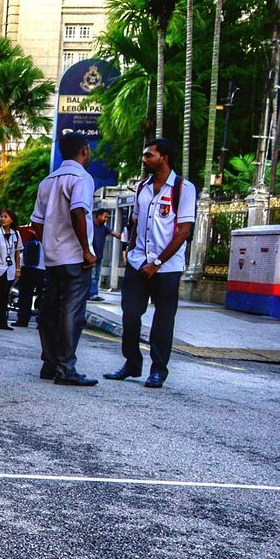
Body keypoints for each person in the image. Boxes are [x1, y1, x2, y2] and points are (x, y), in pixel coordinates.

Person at [105, 138, 196, 388]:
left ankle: (158, 370)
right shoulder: (142, 187)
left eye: (148, 156)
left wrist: (157, 262)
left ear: (163, 158)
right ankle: (132, 363)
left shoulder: (183, 188)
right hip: (138, 262)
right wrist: (129, 249)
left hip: (166, 267)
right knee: (130, 315)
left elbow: (183, 231)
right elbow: (135, 222)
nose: (144, 160)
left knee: (163, 320)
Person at [30, 132, 97, 386]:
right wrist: (86, 249)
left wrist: (49, 240)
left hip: (52, 257)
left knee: (49, 311)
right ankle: (66, 368)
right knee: (71, 311)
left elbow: (37, 222)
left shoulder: (48, 180)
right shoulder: (82, 178)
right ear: (84, 151)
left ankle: (49, 362)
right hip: (74, 257)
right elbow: (78, 211)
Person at [0, 208, 22, 330]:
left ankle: (2, 322)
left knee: (4, 296)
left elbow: (17, 253)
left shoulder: (16, 234)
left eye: (5, 217)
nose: (3, 219)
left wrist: (18, 269)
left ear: (12, 220)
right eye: (1, 217)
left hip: (10, 269)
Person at [13, 229, 44, 327]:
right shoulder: (29, 228)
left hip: (44, 265)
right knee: (25, 293)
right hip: (27, 264)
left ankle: (42, 321)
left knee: (43, 295)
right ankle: (22, 319)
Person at [88, 208, 121, 301]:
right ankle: (92, 294)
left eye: (107, 217)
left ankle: (92, 293)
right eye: (105, 217)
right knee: (92, 276)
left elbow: (114, 233)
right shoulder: (90, 226)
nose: (106, 219)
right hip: (91, 255)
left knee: (96, 276)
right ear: (98, 216)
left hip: (99, 256)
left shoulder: (104, 228)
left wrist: (121, 236)